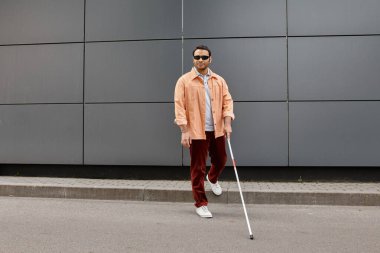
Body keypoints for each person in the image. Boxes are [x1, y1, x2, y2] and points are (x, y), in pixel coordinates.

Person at [174, 45, 234, 218]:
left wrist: (227, 122)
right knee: (198, 168)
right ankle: (201, 203)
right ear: (193, 59)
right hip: (196, 131)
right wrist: (184, 131)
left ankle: (213, 178)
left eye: (204, 57)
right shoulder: (184, 81)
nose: (200, 60)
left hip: (217, 129)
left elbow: (227, 102)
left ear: (210, 59)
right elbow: (179, 107)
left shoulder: (219, 80)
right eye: (197, 57)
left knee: (221, 159)